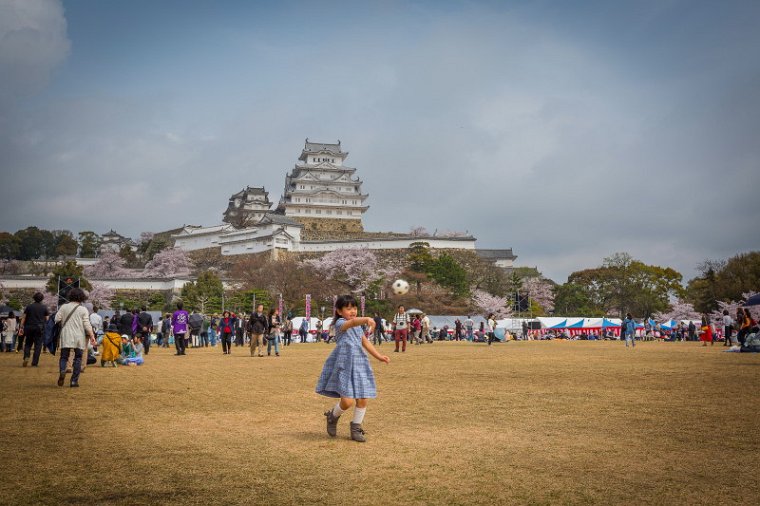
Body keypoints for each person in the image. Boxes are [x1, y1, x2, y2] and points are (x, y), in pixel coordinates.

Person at [316, 295, 390, 443]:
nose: (352, 311)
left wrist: (379, 356)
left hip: (360, 364)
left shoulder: (357, 327)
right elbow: (354, 321)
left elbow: (365, 343)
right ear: (339, 311)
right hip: (344, 364)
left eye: (355, 308)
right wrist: (366, 319)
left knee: (363, 398)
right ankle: (333, 416)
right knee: (347, 401)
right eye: (348, 308)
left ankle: (356, 428)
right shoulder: (341, 324)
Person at [55, 288, 95, 388]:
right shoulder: (83, 309)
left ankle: (63, 370)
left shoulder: (64, 307)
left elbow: (56, 319)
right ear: (81, 297)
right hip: (79, 336)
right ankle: (74, 381)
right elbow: (86, 324)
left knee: (64, 357)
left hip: (66, 334)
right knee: (78, 358)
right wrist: (92, 336)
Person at [18, 292, 50, 367]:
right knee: (38, 345)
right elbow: (47, 319)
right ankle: (34, 363)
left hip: (28, 327)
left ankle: (26, 356)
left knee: (28, 343)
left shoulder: (29, 307)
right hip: (39, 328)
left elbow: (24, 317)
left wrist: (21, 326)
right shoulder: (44, 307)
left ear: (34, 298)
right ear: (42, 299)